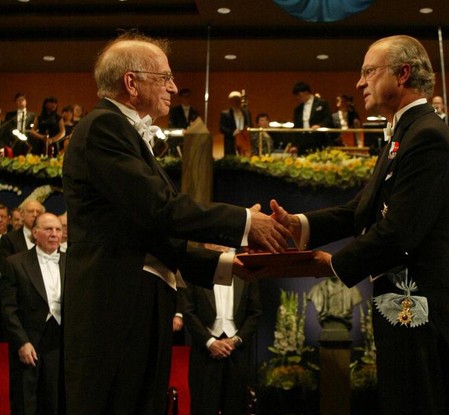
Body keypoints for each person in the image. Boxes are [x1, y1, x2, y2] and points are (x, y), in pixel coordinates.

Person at [61, 32, 289, 415]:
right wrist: (246, 221)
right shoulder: (104, 127)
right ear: (131, 83)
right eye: (164, 77)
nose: (173, 86)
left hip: (135, 302)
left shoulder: (119, 132)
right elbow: (162, 210)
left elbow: (152, 233)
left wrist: (228, 265)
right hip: (115, 309)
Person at [269, 35, 449, 414]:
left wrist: (331, 264)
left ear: (402, 74)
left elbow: (400, 233)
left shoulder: (426, 136)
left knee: (422, 400)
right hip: (403, 302)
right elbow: (360, 210)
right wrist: (295, 224)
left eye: (368, 71)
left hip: (421, 307)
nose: (358, 83)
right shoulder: (403, 135)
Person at [0, 213, 65, 415]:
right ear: (35, 233)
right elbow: (7, 307)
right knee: (25, 402)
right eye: (48, 229)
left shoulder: (72, 262)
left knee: (54, 400)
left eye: (57, 229)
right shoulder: (15, 263)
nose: (54, 234)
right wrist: (21, 342)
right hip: (29, 342)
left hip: (59, 341)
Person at [183, 269, 261, 415]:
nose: (221, 246)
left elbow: (255, 313)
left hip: (237, 351)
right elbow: (187, 311)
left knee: (236, 406)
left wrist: (236, 340)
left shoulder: (246, 272)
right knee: (203, 406)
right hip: (204, 352)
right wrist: (210, 342)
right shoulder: (194, 271)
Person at [291, 81, 333, 153]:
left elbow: (328, 119)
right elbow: (296, 128)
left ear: (306, 92)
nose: (298, 97)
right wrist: (294, 145)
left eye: (299, 95)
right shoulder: (298, 109)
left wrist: (319, 125)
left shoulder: (322, 103)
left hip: (318, 139)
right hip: (303, 140)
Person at [219, 90, 252, 156]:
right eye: (234, 100)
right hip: (231, 141)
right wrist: (233, 132)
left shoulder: (246, 113)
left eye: (237, 100)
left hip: (244, 141)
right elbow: (221, 128)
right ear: (230, 101)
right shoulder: (225, 114)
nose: (236, 102)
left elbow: (250, 125)